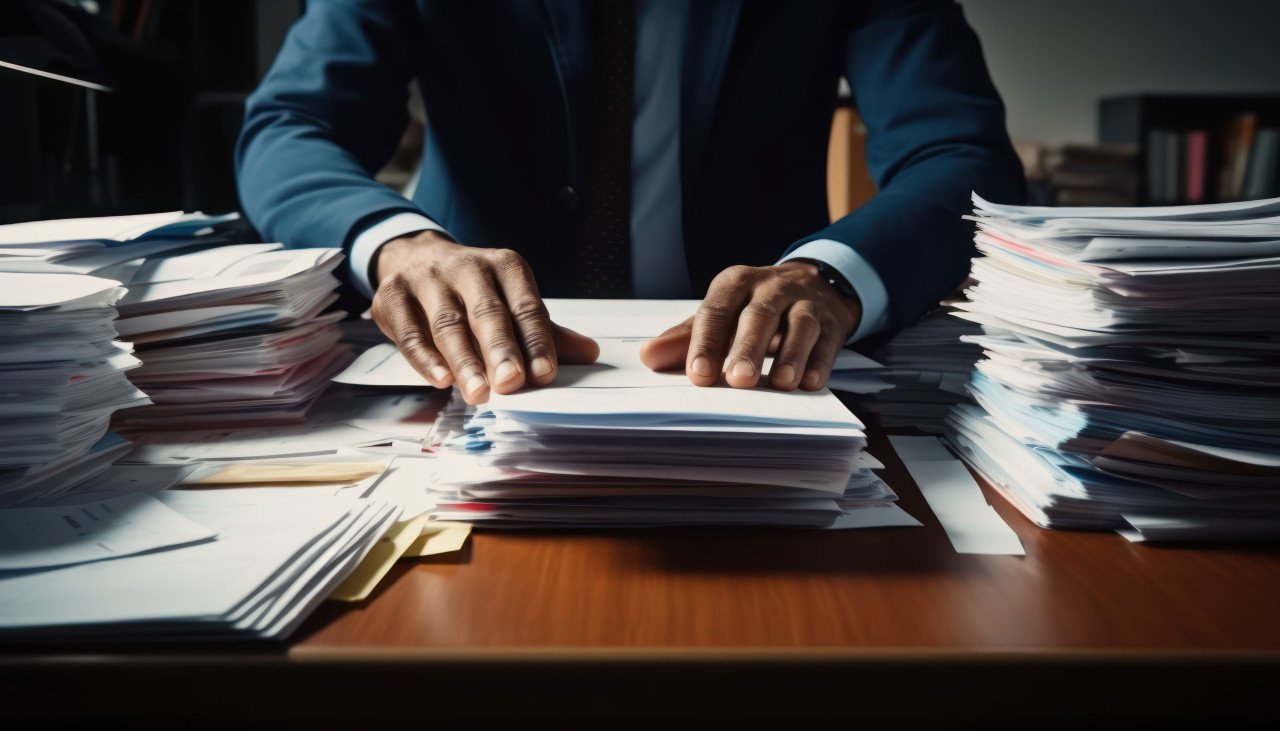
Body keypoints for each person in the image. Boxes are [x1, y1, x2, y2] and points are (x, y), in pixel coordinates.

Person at [236, 0, 1024, 405]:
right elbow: (291, 125)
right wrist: (397, 244)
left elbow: (957, 153)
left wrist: (832, 275)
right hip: (472, 374)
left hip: (758, 388)